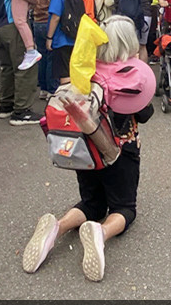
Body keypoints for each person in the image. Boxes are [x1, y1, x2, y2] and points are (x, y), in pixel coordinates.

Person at [22, 15, 154, 282]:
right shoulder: (126, 78)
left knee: (92, 203)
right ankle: (100, 234)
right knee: (124, 208)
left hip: (83, 152)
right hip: (119, 152)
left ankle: (56, 228)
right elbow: (144, 114)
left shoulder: (84, 72)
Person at [46, 0, 76, 85]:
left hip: (61, 38)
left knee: (63, 74)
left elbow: (55, 17)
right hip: (74, 36)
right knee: (72, 70)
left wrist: (49, 37)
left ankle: (65, 99)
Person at [33, 0, 59, 99]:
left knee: (41, 55)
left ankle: (42, 88)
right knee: (51, 57)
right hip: (48, 22)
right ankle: (51, 89)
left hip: (36, 22)